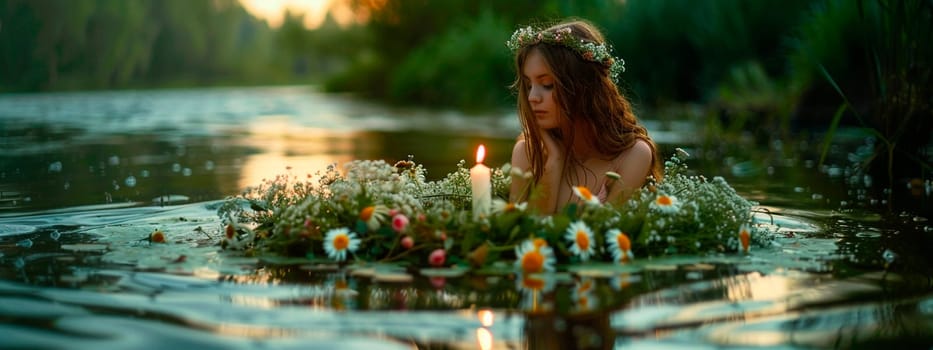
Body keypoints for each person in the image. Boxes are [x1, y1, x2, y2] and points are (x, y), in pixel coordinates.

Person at [507, 19, 663, 214]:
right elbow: (521, 236)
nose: (532, 98)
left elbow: (603, 236)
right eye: (529, 85)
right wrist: (555, 161)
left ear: (582, 87)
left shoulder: (633, 155)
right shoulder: (527, 153)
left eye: (547, 84)